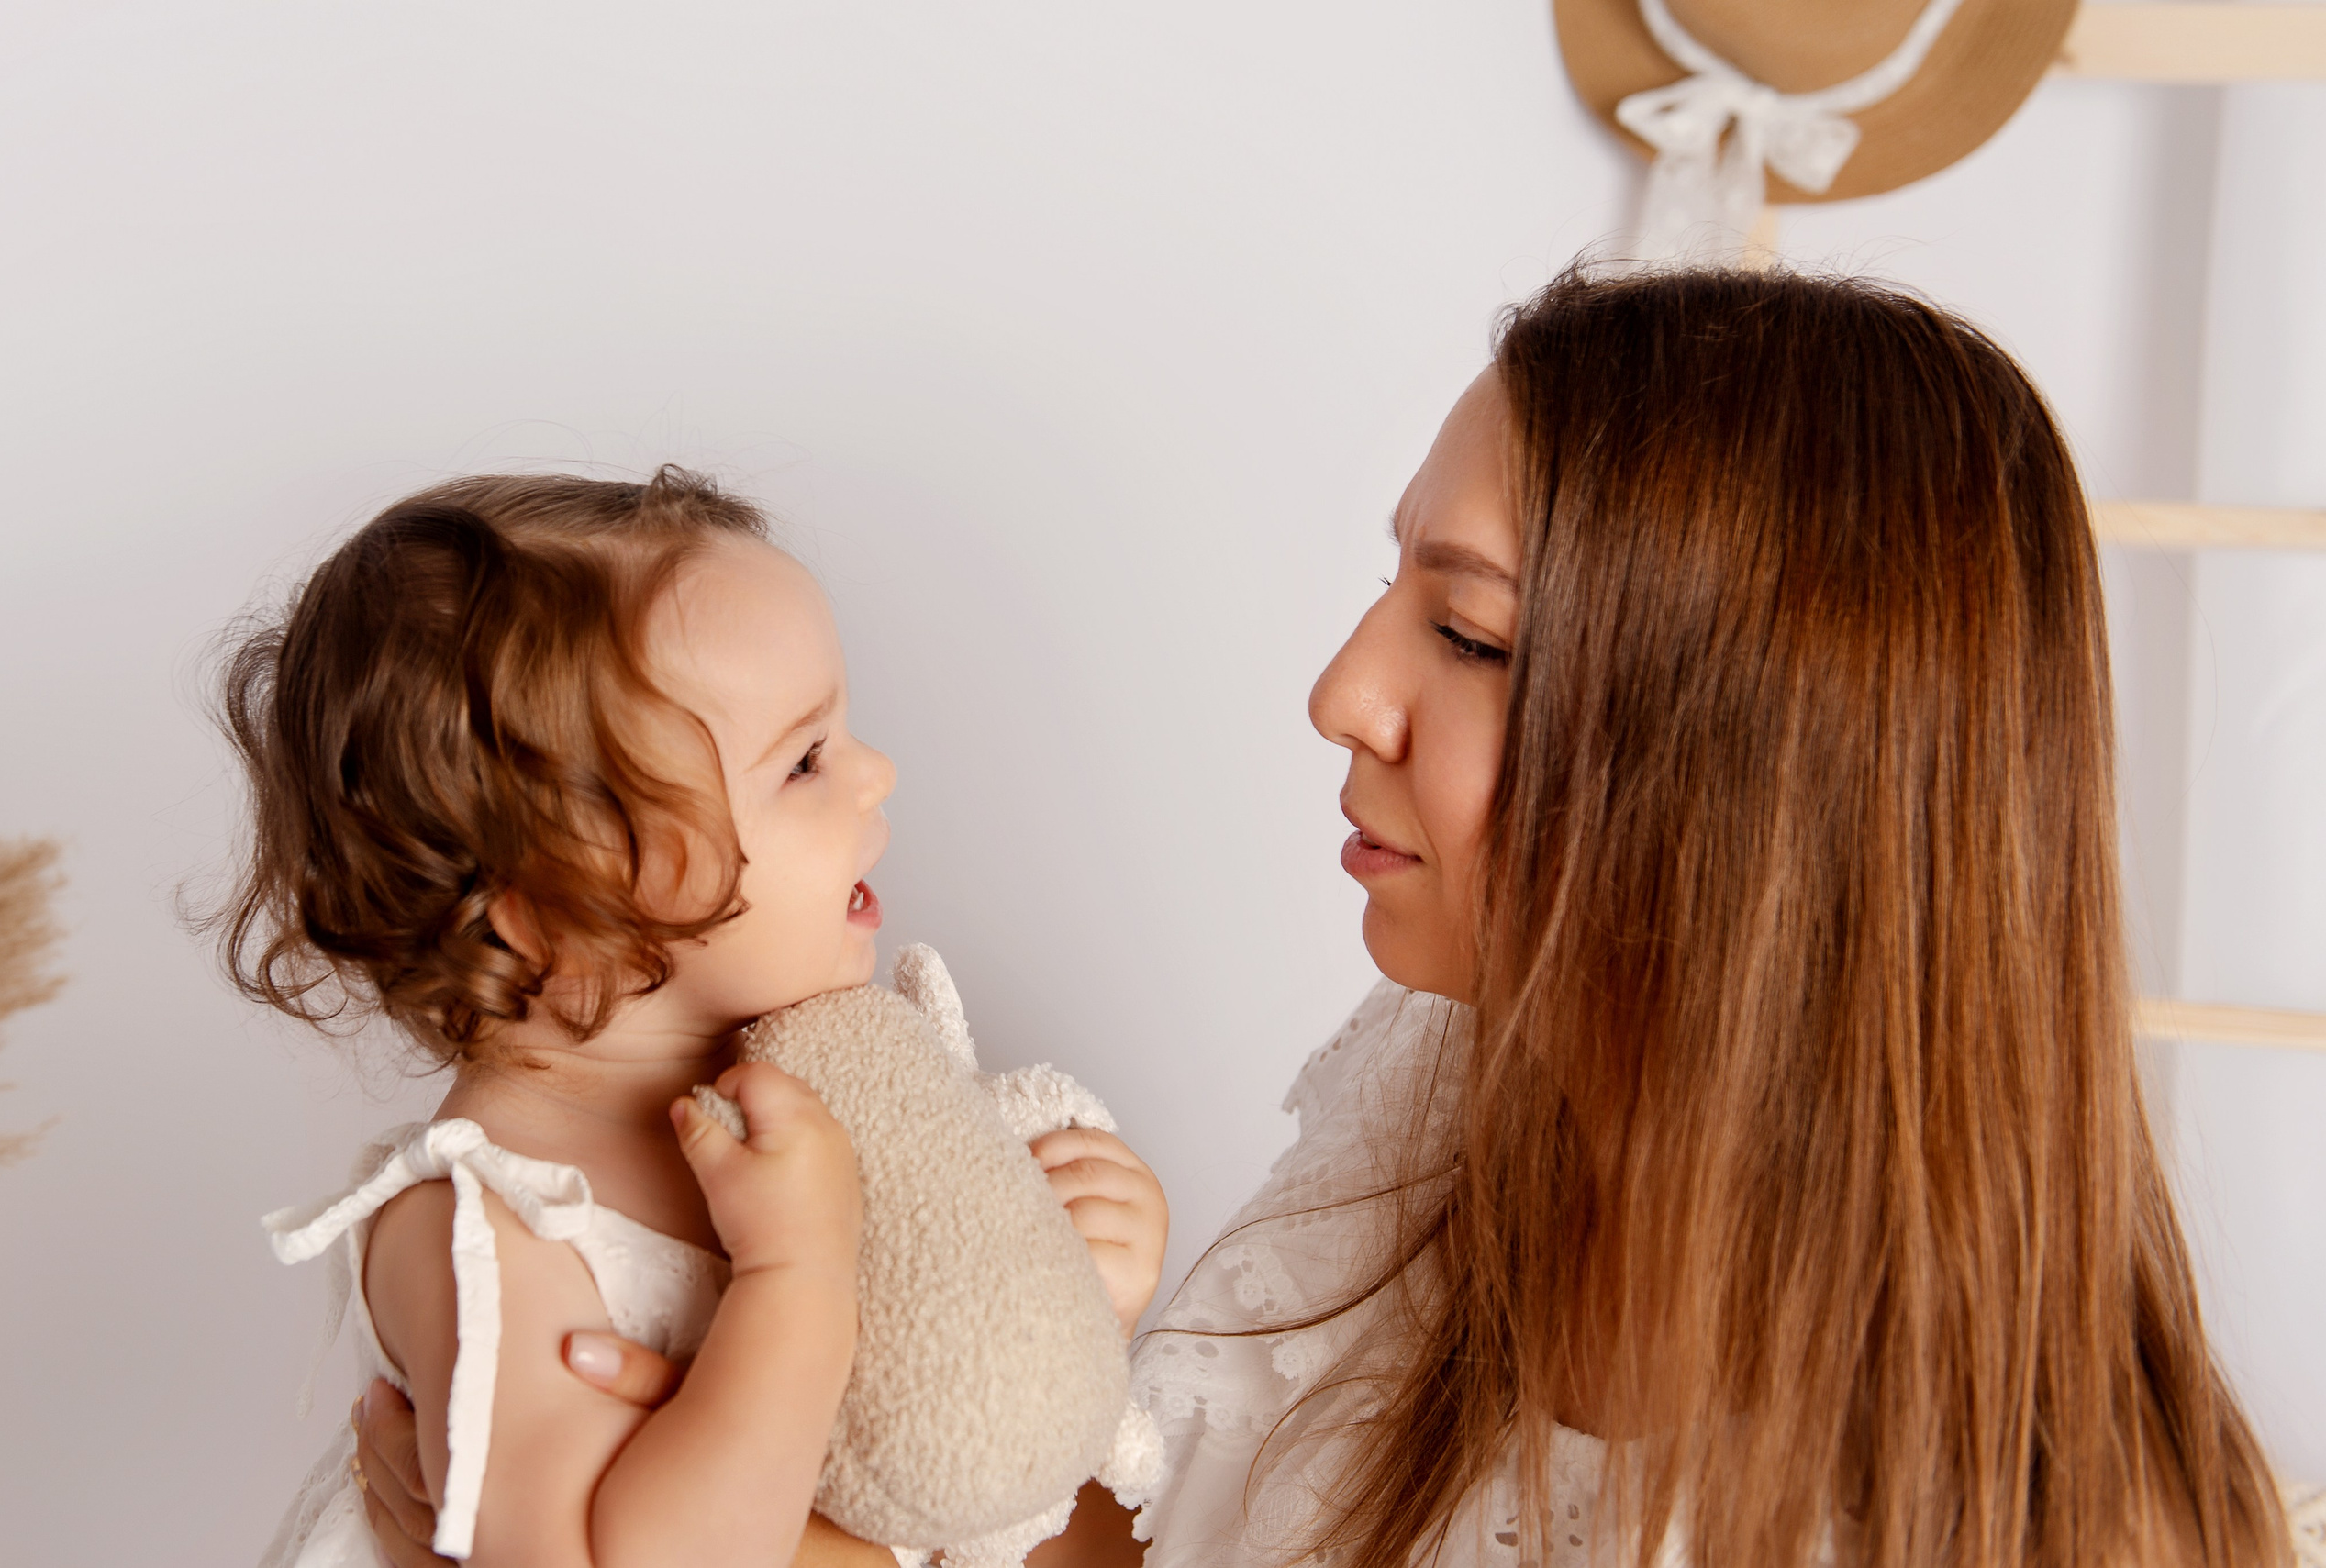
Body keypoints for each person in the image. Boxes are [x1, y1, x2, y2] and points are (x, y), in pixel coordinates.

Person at [359, 269, 2292, 1567]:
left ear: (1748, 769)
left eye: (1471, 636)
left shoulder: (1978, 1508)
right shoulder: (1430, 1096)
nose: (1344, 691)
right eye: (1396, 592)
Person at [226, 471, 1169, 1568]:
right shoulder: (483, 1230)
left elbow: (926, 1441)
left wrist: (1065, 1302)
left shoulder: (824, 1098)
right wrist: (796, 1270)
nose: (877, 773)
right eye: (804, 761)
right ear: (557, 910)